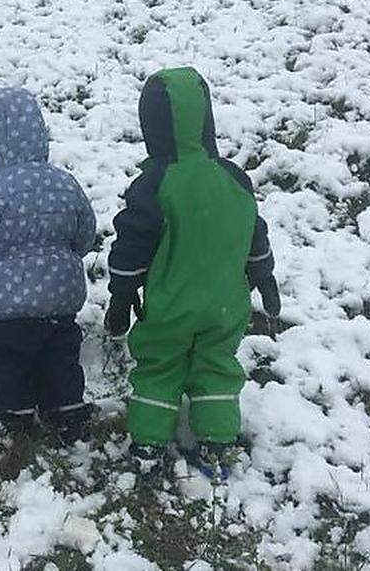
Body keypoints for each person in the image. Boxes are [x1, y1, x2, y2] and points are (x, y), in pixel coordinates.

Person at [105, 67, 281, 480]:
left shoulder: (153, 185)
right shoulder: (234, 179)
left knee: (159, 367)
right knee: (217, 364)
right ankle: (219, 440)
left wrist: (121, 296)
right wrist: (265, 277)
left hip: (171, 307)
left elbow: (131, 247)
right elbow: (255, 233)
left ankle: (149, 443)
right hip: (225, 305)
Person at [0, 88, 97, 444]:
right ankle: (65, 407)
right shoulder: (65, 182)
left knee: (3, 358)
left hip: (10, 309)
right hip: (61, 299)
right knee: (61, 354)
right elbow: (85, 232)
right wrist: (68, 256)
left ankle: (16, 412)